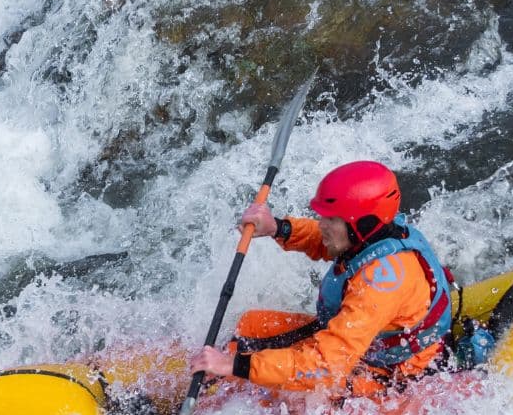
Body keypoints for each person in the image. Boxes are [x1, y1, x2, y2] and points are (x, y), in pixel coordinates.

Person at [191, 161, 454, 402]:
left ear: (360, 224)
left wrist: (233, 365)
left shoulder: (380, 284)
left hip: (390, 374)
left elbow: (326, 367)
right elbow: (327, 241)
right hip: (356, 346)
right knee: (248, 325)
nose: (322, 224)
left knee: (281, 396)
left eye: (331, 218)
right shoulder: (372, 232)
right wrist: (278, 228)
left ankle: (196, 412)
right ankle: (187, 386)